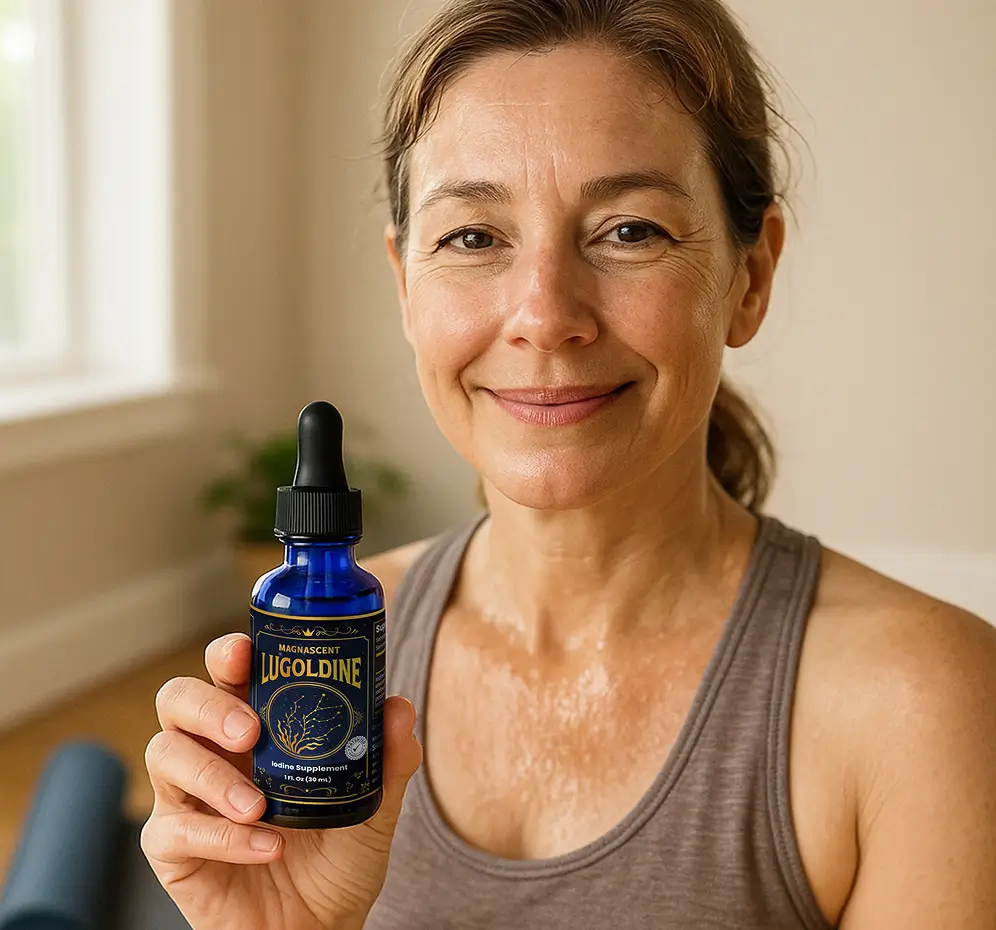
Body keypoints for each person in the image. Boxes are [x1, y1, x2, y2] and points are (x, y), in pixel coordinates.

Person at [140, 0, 996, 927]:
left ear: (750, 279)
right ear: (405, 285)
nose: (544, 313)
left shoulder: (927, 705)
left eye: (629, 230)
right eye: (474, 237)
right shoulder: (332, 661)